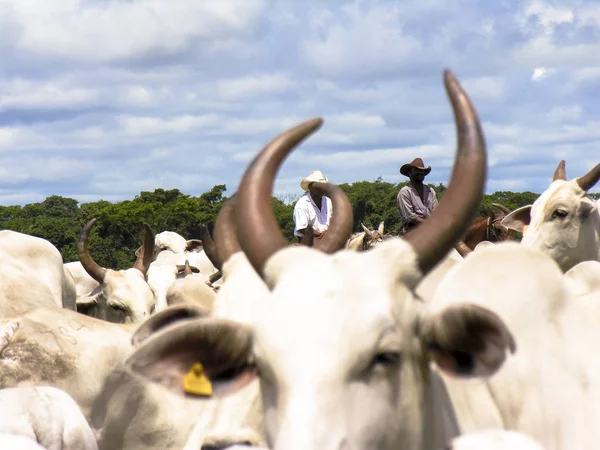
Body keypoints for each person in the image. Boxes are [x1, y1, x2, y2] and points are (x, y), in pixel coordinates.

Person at [397, 157, 438, 234]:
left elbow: (436, 211)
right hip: (412, 231)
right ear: (410, 173)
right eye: (416, 170)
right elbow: (410, 217)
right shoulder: (405, 192)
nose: (420, 172)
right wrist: (429, 224)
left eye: (422, 171)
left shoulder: (430, 191)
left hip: (432, 230)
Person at [293, 170, 333, 242]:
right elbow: (302, 229)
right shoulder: (302, 204)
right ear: (310, 187)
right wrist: (320, 235)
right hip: (308, 242)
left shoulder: (328, 201)